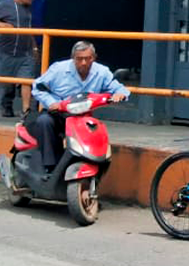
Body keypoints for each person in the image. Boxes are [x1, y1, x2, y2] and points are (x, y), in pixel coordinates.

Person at [30, 41, 129, 171]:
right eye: (79, 59)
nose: (83, 63)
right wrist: (52, 102)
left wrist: (119, 94)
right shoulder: (59, 69)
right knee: (44, 121)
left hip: (83, 116)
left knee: (96, 130)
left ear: (94, 57)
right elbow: (38, 87)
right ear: (73, 58)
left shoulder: (102, 72)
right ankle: (49, 166)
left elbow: (117, 87)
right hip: (58, 114)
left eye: (87, 58)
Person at [0, 0, 39, 122]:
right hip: (6, 52)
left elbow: (28, 30)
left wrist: (34, 47)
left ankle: (26, 112)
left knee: (26, 81)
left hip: (25, 53)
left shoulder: (27, 9)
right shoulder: (6, 5)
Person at [0, 0, 45, 117]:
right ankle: (7, 105)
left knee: (30, 76)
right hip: (14, 42)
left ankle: (28, 110)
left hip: (34, 41)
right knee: (9, 76)